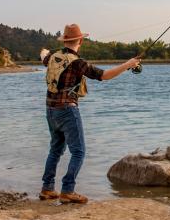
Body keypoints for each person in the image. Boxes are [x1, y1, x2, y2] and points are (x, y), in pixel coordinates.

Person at [38, 24, 140, 204]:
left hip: (50, 110)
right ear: (81, 41)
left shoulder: (53, 57)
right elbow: (105, 75)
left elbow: (43, 55)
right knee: (79, 152)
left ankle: (47, 188)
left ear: (65, 40)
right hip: (68, 110)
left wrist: (44, 50)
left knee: (55, 149)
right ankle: (67, 190)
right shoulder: (78, 63)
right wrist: (129, 64)